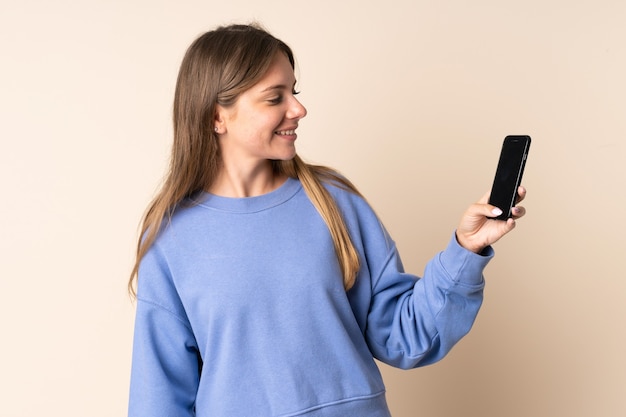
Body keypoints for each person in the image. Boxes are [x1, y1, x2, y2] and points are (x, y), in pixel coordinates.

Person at [127, 23, 526, 417]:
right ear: (218, 116)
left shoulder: (334, 201)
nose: (298, 109)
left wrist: (465, 250)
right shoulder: (171, 237)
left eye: (294, 92)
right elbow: (159, 396)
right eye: (274, 98)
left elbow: (408, 335)